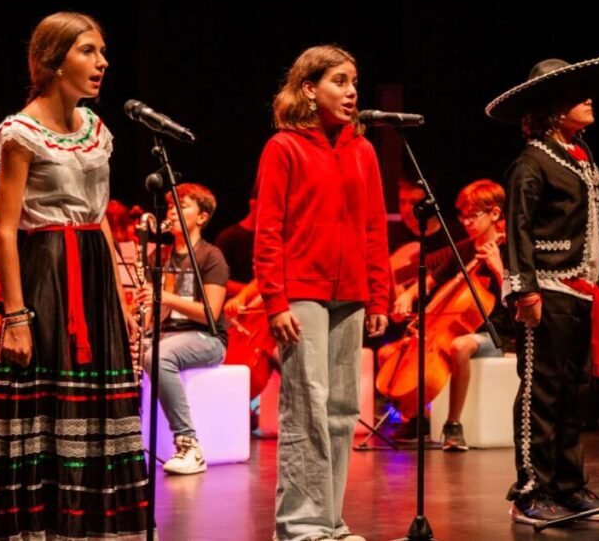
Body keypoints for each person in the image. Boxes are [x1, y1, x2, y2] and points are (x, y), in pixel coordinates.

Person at [0, 12, 151, 539]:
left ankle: (96, 525)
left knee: (101, 399)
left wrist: (119, 296)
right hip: (47, 274)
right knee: (46, 401)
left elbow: (96, 220)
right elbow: (5, 230)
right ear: (54, 62)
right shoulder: (21, 132)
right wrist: (16, 315)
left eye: (101, 51)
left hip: (94, 277)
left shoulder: (98, 130)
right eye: (88, 51)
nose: (102, 62)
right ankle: (42, 525)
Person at [254, 44, 390, 541]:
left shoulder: (364, 150)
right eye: (339, 81)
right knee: (306, 407)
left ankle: (330, 521)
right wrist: (275, 300)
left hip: (351, 292)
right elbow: (269, 230)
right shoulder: (284, 148)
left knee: (341, 412)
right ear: (309, 89)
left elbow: (374, 227)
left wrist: (379, 295)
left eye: (354, 81)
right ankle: (300, 524)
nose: (351, 91)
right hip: (301, 292)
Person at [485, 55, 599, 525]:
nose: (589, 99)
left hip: (581, 291)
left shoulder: (583, 160)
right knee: (540, 393)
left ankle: (569, 485)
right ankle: (530, 490)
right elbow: (518, 230)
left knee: (574, 392)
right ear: (550, 107)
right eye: (575, 94)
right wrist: (523, 293)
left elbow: (594, 230)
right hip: (545, 289)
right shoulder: (531, 163)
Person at [390, 179, 514, 450]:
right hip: (466, 329)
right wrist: (408, 296)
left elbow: (517, 301)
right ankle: (419, 418)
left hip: (497, 334)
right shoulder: (466, 249)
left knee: (460, 345)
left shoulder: (510, 250)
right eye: (463, 216)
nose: (467, 223)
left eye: (473, 216)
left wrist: (496, 267)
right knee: (402, 349)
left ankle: (453, 424)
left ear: (495, 214)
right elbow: (432, 281)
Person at [134, 182, 228, 475]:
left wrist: (165, 296)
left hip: (206, 338)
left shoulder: (211, 257)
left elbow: (210, 314)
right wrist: (143, 318)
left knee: (158, 356)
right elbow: (154, 317)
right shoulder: (157, 259)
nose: (173, 212)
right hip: (168, 335)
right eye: (171, 206)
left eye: (182, 206)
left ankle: (189, 445)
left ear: (201, 217)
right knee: (132, 352)